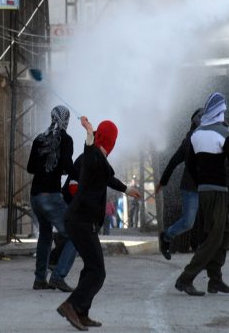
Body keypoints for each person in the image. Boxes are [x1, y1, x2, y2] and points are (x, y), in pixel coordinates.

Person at [57, 117, 140, 331]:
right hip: (79, 221)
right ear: (110, 141)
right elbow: (90, 150)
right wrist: (89, 133)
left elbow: (109, 178)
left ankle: (82, 313)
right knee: (98, 271)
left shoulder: (100, 161)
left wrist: (126, 190)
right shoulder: (92, 155)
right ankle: (71, 305)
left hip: (82, 221)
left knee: (91, 269)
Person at [175, 92, 229, 296]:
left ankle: (215, 279)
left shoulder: (197, 134)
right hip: (218, 193)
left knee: (225, 229)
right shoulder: (223, 134)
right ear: (220, 112)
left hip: (204, 192)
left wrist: (200, 181)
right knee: (214, 238)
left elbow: (189, 164)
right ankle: (185, 278)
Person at [27, 105, 78, 292]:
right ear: (66, 120)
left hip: (35, 196)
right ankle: (58, 276)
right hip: (51, 195)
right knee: (75, 235)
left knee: (45, 236)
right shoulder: (66, 139)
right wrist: (81, 175)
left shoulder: (39, 139)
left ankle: (40, 279)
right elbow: (67, 166)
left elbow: (31, 167)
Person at [156, 108, 204, 260]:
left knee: (210, 219)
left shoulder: (213, 136)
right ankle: (166, 237)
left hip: (208, 186)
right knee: (188, 222)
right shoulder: (189, 141)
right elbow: (174, 161)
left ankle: (203, 248)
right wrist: (163, 182)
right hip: (190, 187)